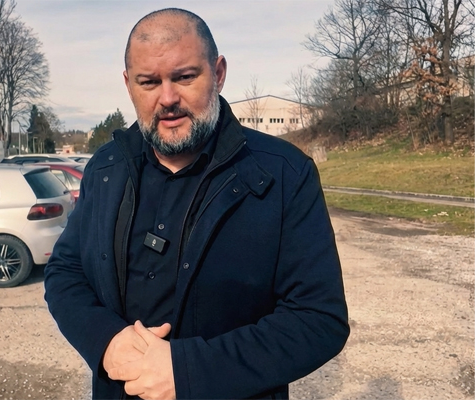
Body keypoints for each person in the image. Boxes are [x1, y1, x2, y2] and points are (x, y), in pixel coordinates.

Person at [45, 8, 349, 400]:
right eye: (149, 82)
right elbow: (65, 271)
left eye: (185, 77)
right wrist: (105, 340)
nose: (168, 98)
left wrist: (188, 371)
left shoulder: (284, 173)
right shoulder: (106, 168)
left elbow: (319, 319)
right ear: (128, 85)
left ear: (218, 73)